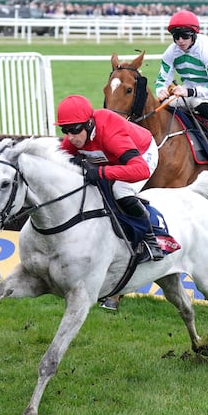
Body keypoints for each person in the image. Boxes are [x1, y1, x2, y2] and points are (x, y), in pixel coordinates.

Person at [57, 95, 162, 310]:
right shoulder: (75, 136)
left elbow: (139, 169)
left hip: (142, 154)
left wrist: (102, 172)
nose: (71, 137)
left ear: (88, 124)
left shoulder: (110, 131)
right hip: (114, 157)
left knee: (120, 190)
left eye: (75, 129)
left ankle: (151, 239)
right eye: (65, 130)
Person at [154, 9, 208, 159]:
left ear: (194, 34)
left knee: (195, 101)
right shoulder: (171, 52)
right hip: (188, 92)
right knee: (165, 104)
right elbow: (162, 79)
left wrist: (190, 92)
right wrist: (161, 90)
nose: (180, 41)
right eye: (176, 36)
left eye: (185, 36)